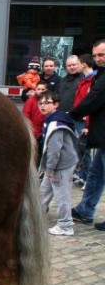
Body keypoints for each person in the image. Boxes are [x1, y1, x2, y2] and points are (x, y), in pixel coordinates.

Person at [70, 40, 105, 231]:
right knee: (95, 175)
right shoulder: (100, 75)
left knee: (97, 175)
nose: (98, 59)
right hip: (101, 137)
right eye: (96, 55)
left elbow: (94, 99)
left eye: (102, 55)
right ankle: (85, 210)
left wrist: (72, 115)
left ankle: (85, 210)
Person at [38, 91, 78, 236]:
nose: (42, 106)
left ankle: (65, 225)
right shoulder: (52, 119)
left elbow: (54, 150)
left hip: (60, 166)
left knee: (62, 195)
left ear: (55, 105)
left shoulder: (55, 123)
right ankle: (36, 217)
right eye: (40, 103)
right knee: (43, 192)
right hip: (58, 165)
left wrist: (49, 169)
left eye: (47, 103)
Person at [72, 53, 97, 186]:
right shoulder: (84, 80)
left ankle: (88, 178)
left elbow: (90, 104)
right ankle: (82, 175)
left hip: (85, 122)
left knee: (85, 151)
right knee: (80, 150)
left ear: (84, 64)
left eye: (78, 63)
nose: (76, 66)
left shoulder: (93, 81)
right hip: (79, 120)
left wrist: (88, 125)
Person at [23, 82, 48, 161]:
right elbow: (26, 116)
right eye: (38, 89)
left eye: (43, 89)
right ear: (35, 90)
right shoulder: (30, 101)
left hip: (44, 132)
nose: (40, 91)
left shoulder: (49, 102)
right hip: (34, 132)